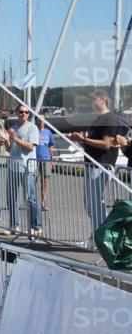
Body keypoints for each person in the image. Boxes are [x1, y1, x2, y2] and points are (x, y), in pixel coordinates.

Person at [68, 89, 129, 238]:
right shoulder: (99, 119)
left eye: (93, 99)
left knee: (94, 205)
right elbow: (92, 145)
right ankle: (98, 235)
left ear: (102, 100)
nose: (91, 102)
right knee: (91, 205)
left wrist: (83, 139)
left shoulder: (109, 119)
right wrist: (81, 141)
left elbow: (106, 144)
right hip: (93, 165)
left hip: (100, 166)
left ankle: (101, 237)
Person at [5, 105, 41, 234]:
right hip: (14, 166)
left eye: (26, 112)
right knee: (11, 197)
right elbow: (11, 148)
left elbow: (30, 147)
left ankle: (36, 226)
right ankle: (14, 225)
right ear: (16, 113)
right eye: (21, 112)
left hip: (27, 168)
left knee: (30, 197)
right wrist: (6, 140)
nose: (24, 114)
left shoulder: (32, 128)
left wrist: (15, 138)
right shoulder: (14, 127)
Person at [35, 116, 54, 212]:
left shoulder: (48, 132)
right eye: (39, 119)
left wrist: (52, 159)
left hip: (45, 159)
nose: (41, 121)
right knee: (33, 180)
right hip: (34, 159)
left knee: (45, 182)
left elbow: (50, 146)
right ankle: (32, 201)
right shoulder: (33, 130)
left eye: (42, 119)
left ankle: (43, 202)